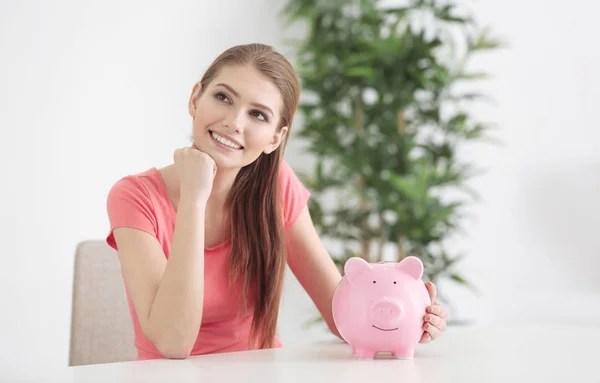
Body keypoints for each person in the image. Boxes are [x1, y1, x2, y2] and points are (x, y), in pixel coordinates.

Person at [105, 43, 448, 361]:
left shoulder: (276, 186)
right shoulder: (135, 197)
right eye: (223, 97)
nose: (233, 122)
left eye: (258, 115)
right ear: (196, 98)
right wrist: (196, 196)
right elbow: (172, 342)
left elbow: (340, 314)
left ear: (275, 137)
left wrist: (405, 316)